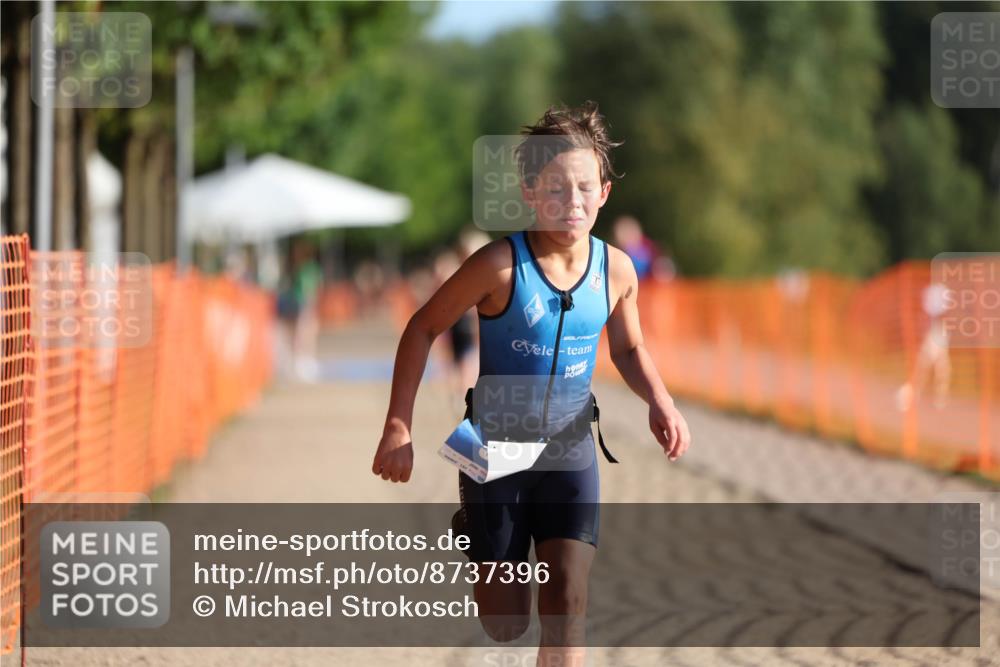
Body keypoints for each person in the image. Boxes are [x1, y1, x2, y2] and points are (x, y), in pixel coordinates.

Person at [371, 102, 691, 667]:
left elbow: (629, 346)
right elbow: (422, 327)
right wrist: (399, 423)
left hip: (570, 450)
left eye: (584, 188)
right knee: (505, 622)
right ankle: (475, 530)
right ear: (529, 192)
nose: (572, 202)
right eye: (556, 188)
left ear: (605, 194)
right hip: (492, 450)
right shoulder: (498, 266)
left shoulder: (616, 270)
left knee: (568, 599)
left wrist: (660, 401)